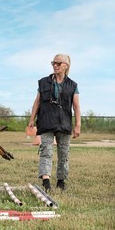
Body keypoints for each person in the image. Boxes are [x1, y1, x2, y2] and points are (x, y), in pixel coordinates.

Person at [28, 54, 81, 192]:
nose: (55, 65)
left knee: (64, 154)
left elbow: (76, 107)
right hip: (46, 122)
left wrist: (78, 125)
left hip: (64, 124)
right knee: (46, 151)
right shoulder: (43, 82)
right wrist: (32, 119)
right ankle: (46, 181)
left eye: (58, 63)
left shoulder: (73, 85)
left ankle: (61, 181)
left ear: (66, 65)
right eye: (53, 63)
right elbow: (37, 101)